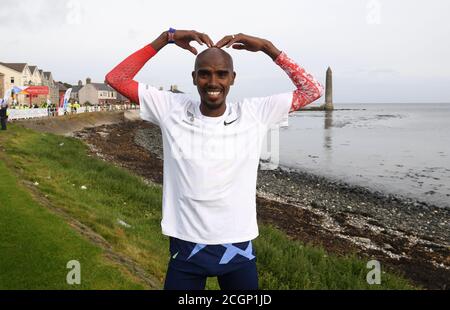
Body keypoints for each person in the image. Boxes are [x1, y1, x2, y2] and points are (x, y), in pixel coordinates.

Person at [106, 29, 323, 290]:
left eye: (221, 74)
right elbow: (116, 78)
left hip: (237, 246)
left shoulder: (254, 113)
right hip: (186, 245)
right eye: (205, 73)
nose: (213, 81)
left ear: (232, 78)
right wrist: (167, 38)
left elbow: (312, 89)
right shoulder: (171, 107)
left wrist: (267, 47)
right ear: (194, 78)